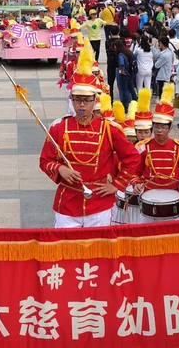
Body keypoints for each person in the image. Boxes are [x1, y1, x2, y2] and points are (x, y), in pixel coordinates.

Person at [39, 43, 140, 228]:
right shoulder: (59, 128)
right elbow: (45, 160)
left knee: (98, 252)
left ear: (95, 100)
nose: (82, 105)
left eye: (86, 100)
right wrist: (60, 169)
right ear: (71, 100)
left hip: (100, 202)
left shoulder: (110, 129)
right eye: (78, 100)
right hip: (67, 202)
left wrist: (117, 185)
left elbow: (132, 158)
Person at [132, 83, 179, 210]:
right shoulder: (142, 148)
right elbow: (134, 173)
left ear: (170, 128)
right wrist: (136, 183)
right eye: (156, 126)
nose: (159, 130)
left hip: (174, 195)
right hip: (148, 195)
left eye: (163, 127)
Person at [114, 39, 137, 111]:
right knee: (131, 88)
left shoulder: (120, 54)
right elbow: (135, 58)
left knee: (124, 90)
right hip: (130, 73)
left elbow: (121, 63)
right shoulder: (128, 51)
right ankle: (135, 101)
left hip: (124, 74)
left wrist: (122, 70)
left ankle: (126, 104)